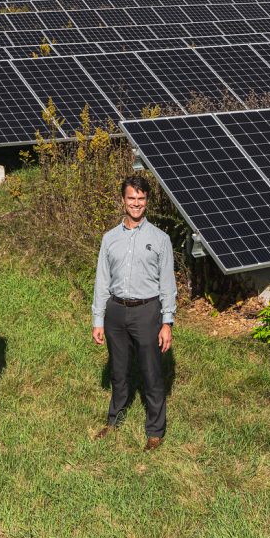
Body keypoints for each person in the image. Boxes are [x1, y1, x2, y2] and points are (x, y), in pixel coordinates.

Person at [91, 176, 176, 451]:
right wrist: (98, 319)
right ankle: (114, 420)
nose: (136, 204)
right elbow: (102, 281)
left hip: (146, 311)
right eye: (131, 198)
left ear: (146, 201)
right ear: (123, 200)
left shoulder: (160, 239)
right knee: (118, 371)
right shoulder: (110, 239)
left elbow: (167, 285)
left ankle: (155, 430)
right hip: (115, 312)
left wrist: (167, 323)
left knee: (151, 372)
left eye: (140, 199)